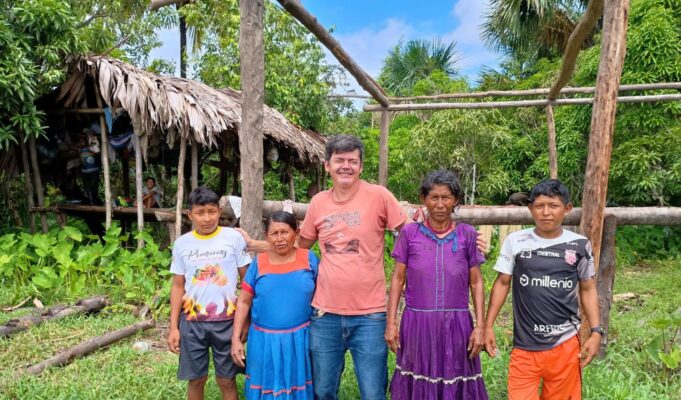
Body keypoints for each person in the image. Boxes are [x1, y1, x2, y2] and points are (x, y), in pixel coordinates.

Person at [484, 179, 602, 400]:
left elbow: (588, 289)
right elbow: (502, 283)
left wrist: (596, 332)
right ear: (531, 209)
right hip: (525, 346)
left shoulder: (580, 244)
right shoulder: (515, 241)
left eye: (553, 205)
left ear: (567, 208)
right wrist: (488, 326)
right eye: (539, 206)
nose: (546, 212)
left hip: (565, 344)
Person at [385, 170, 488, 400]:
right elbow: (398, 279)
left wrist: (480, 327)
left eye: (446, 197)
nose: (440, 204)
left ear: (456, 200)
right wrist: (391, 324)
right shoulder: (410, 233)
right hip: (418, 324)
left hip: (457, 325)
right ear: (423, 199)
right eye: (434, 197)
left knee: (456, 379)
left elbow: (476, 282)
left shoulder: (467, 235)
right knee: (418, 379)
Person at [167, 186, 252, 400]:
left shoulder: (233, 238)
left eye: (212, 212)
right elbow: (178, 286)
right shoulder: (182, 244)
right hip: (192, 323)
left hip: (227, 322)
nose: (207, 218)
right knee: (196, 379)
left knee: (227, 380)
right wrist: (173, 327)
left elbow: (247, 282)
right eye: (200, 213)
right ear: (190, 215)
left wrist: (246, 321)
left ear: (219, 211)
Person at [231, 211, 319, 399]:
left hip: (301, 338)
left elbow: (322, 295)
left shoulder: (309, 259)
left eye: (284, 232)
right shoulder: (258, 264)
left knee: (298, 384)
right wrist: (236, 338)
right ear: (266, 236)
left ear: (296, 233)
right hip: (264, 340)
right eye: (274, 233)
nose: (279, 239)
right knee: (267, 385)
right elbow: (244, 301)